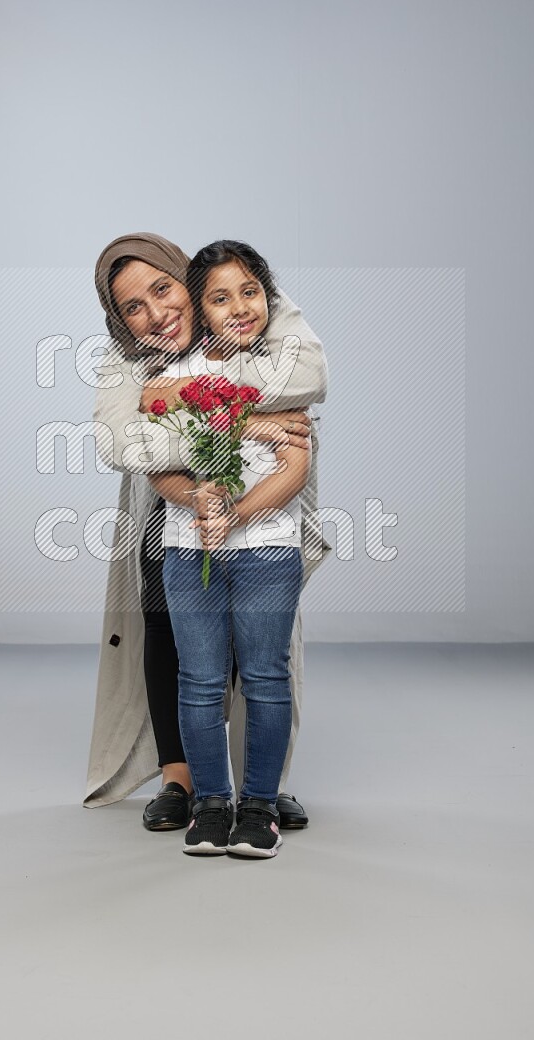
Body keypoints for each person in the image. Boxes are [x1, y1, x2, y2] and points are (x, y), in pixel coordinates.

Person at [83, 233, 329, 829]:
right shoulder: (124, 357)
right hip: (171, 510)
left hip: (265, 509)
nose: (156, 314)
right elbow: (119, 440)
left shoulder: (239, 301)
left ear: (187, 280)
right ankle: (180, 777)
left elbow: (312, 372)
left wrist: (181, 402)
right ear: (119, 319)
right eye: (133, 307)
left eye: (164, 290)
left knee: (263, 648)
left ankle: (261, 786)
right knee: (171, 633)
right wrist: (256, 420)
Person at [148, 240, 314, 858]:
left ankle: (261, 807)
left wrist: (238, 512)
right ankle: (212, 802)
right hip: (190, 551)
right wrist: (197, 500)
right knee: (199, 679)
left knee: (267, 676)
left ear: (268, 299)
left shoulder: (286, 371)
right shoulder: (175, 375)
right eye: (220, 297)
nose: (240, 307)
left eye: (250, 292)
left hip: (269, 550)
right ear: (200, 306)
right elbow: (158, 466)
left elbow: (293, 467)